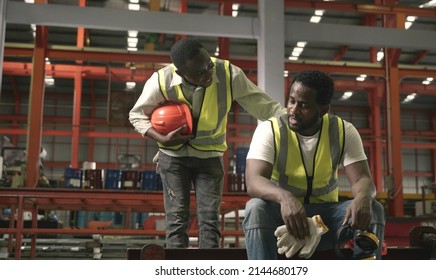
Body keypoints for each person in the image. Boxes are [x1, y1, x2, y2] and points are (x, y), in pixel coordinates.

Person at [129, 38, 285, 248]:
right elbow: (137, 115)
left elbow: (266, 108)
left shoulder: (229, 74)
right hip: (173, 158)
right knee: (176, 220)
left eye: (209, 65)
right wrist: (161, 138)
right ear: (181, 73)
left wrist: (294, 120)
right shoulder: (161, 80)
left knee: (210, 221)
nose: (208, 73)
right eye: (200, 73)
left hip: (209, 157)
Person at [242, 70, 385, 259]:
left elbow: (362, 179)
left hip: (326, 223)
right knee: (255, 209)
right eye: (292, 101)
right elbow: (254, 180)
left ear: (323, 109)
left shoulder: (343, 131)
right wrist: (285, 198)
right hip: (283, 223)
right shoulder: (270, 129)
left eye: (304, 106)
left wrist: (364, 196)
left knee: (374, 209)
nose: (293, 110)